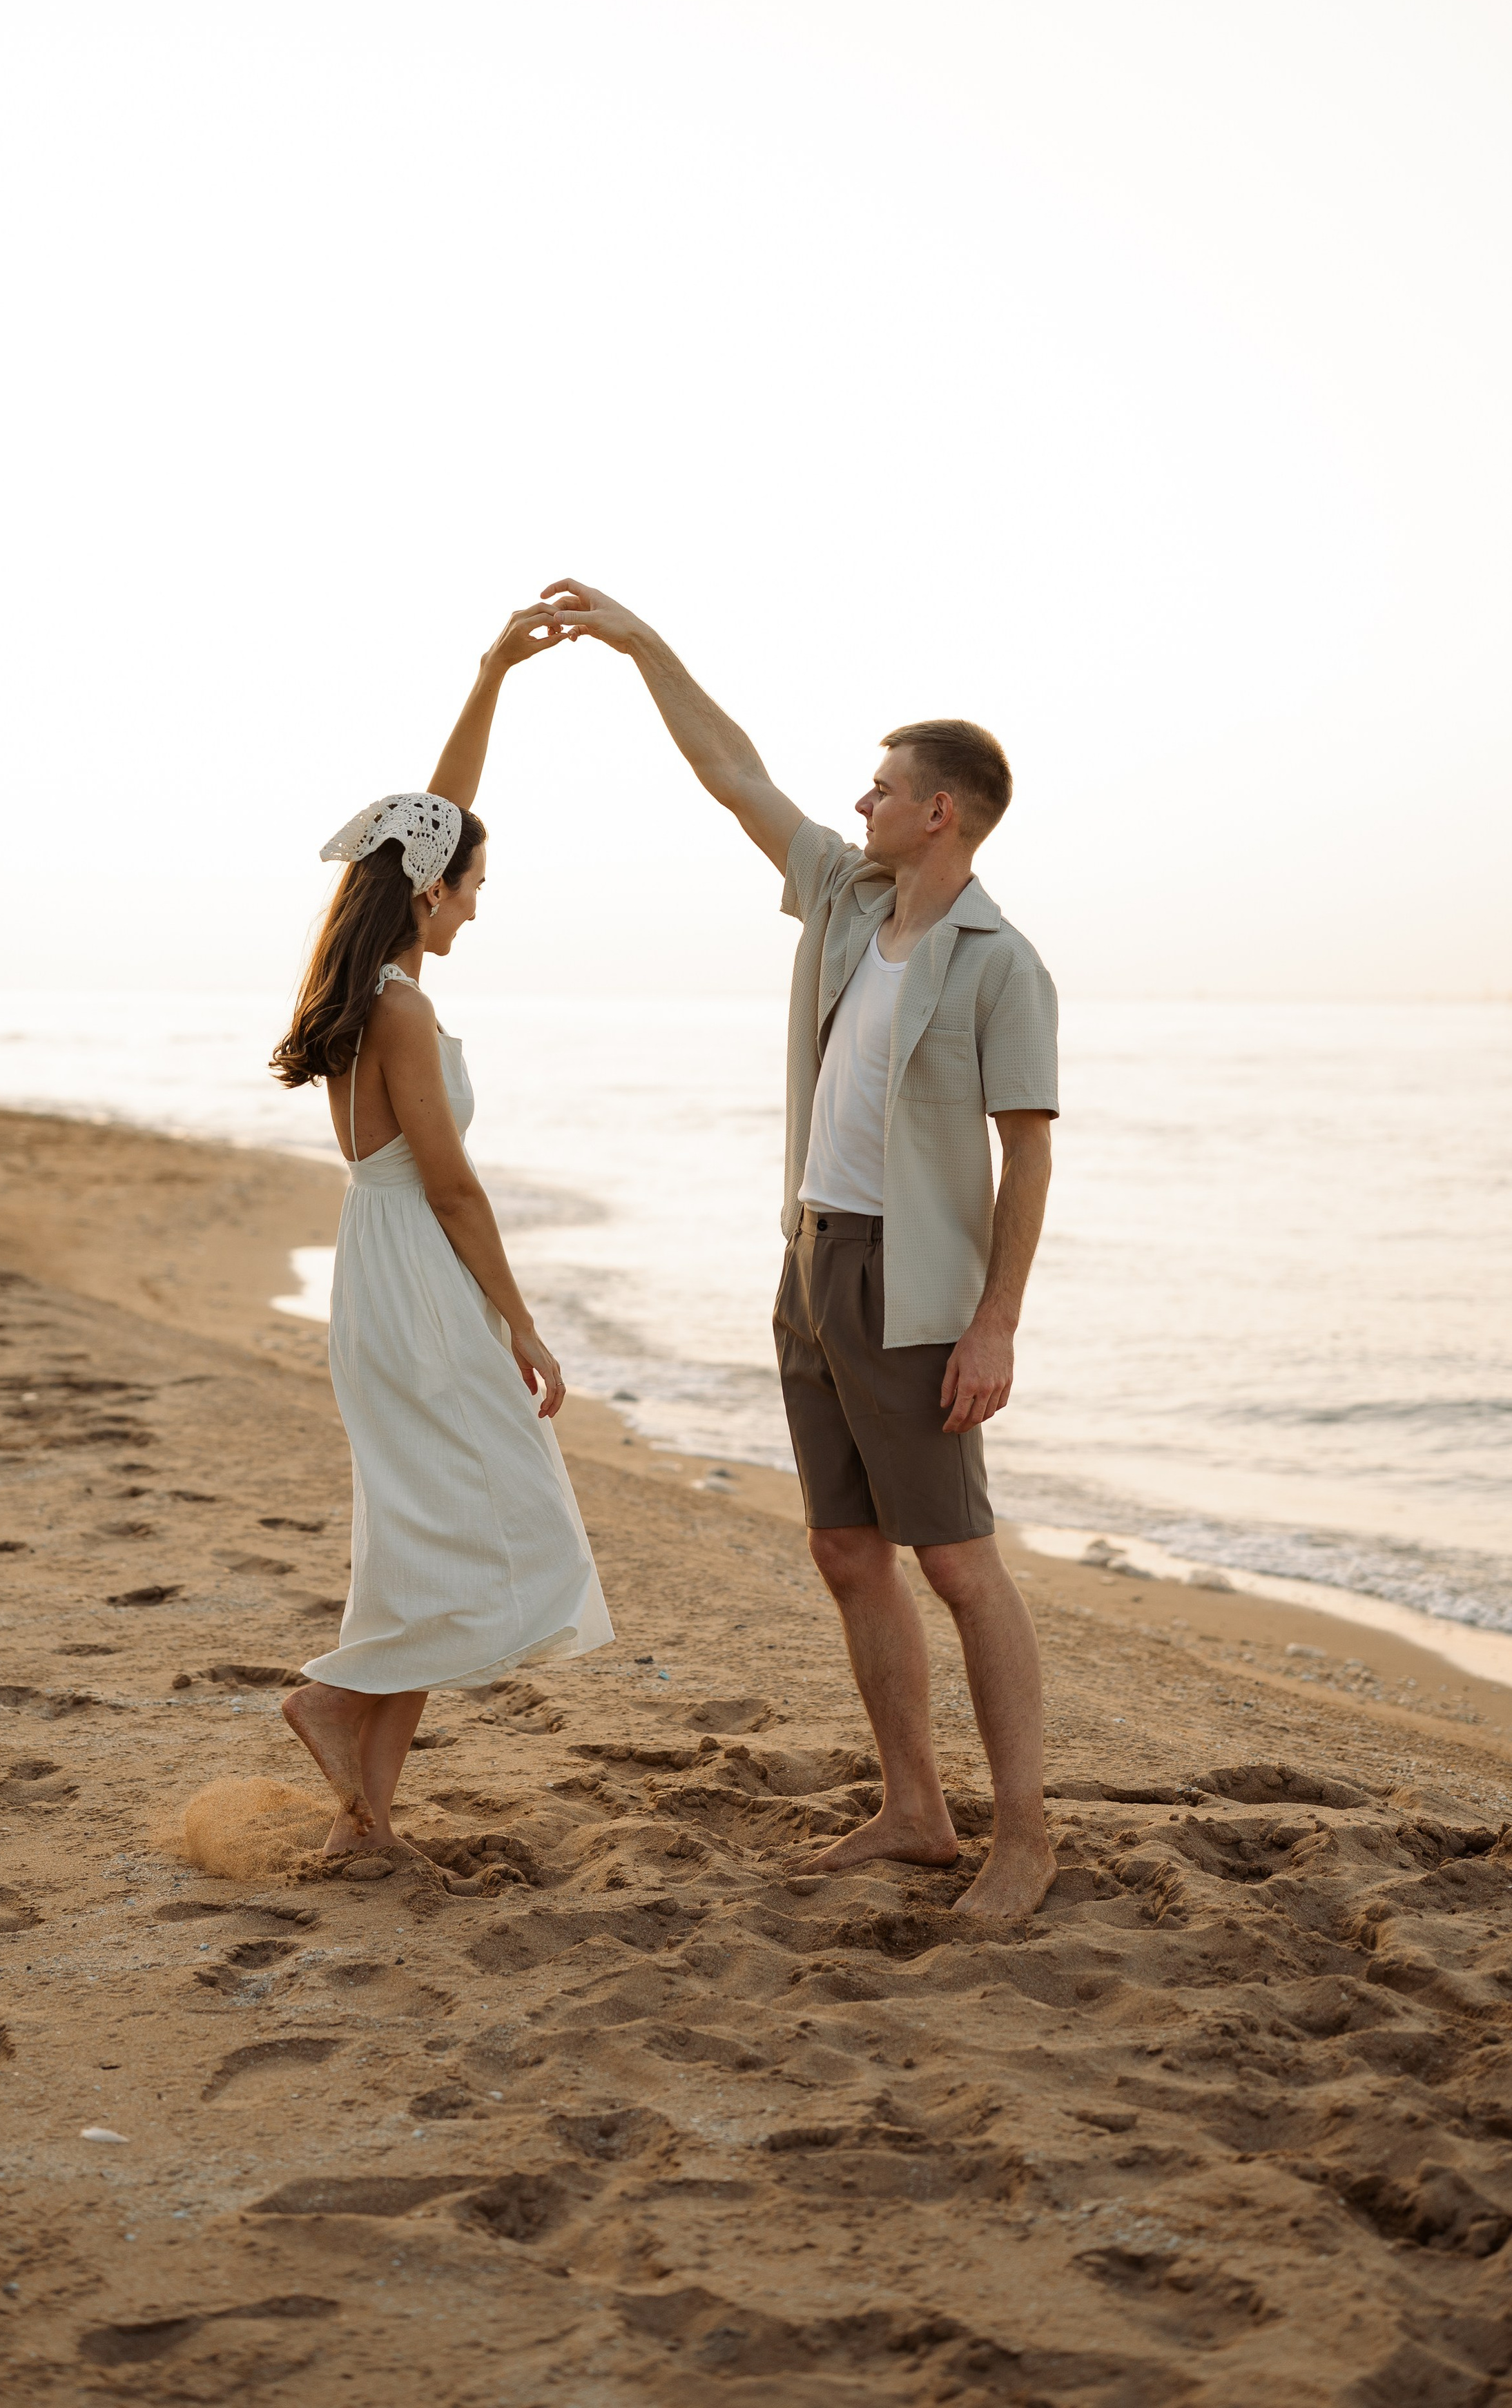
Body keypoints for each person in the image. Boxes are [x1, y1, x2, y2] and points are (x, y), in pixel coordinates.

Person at [541, 577, 1058, 1919]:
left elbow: (1028, 1155)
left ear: (937, 808)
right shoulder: (840, 898)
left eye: (881, 787)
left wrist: (994, 1323)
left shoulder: (1002, 964)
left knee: (955, 1555)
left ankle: (1024, 1831)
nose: (860, 802)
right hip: (811, 1261)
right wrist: (640, 641)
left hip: (918, 1282)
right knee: (844, 1550)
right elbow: (732, 774)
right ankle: (913, 1807)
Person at [269, 612, 612, 1856]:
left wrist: (490, 678)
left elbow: (435, 815)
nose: (477, 908)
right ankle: (332, 1697)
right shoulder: (401, 1012)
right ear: (430, 892)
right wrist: (522, 1323)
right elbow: (458, 1191)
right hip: (419, 1279)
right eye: (473, 887)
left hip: (380, 1275)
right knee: (498, 1516)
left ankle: (368, 1826)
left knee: (416, 1535)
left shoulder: (365, 990)